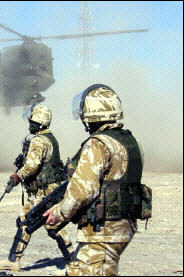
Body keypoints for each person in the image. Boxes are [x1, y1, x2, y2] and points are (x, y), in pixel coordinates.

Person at [43, 84, 146, 276]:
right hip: (123, 226)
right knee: (76, 269)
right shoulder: (129, 141)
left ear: (91, 114)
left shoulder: (98, 143)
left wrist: (58, 213)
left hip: (103, 230)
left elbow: (82, 191)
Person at [0, 104, 73, 272]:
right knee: (24, 221)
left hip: (44, 192)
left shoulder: (39, 140)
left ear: (38, 122)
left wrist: (17, 176)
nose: (29, 124)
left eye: (32, 121)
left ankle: (73, 261)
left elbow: (31, 167)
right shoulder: (50, 138)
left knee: (54, 226)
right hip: (40, 191)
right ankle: (14, 260)